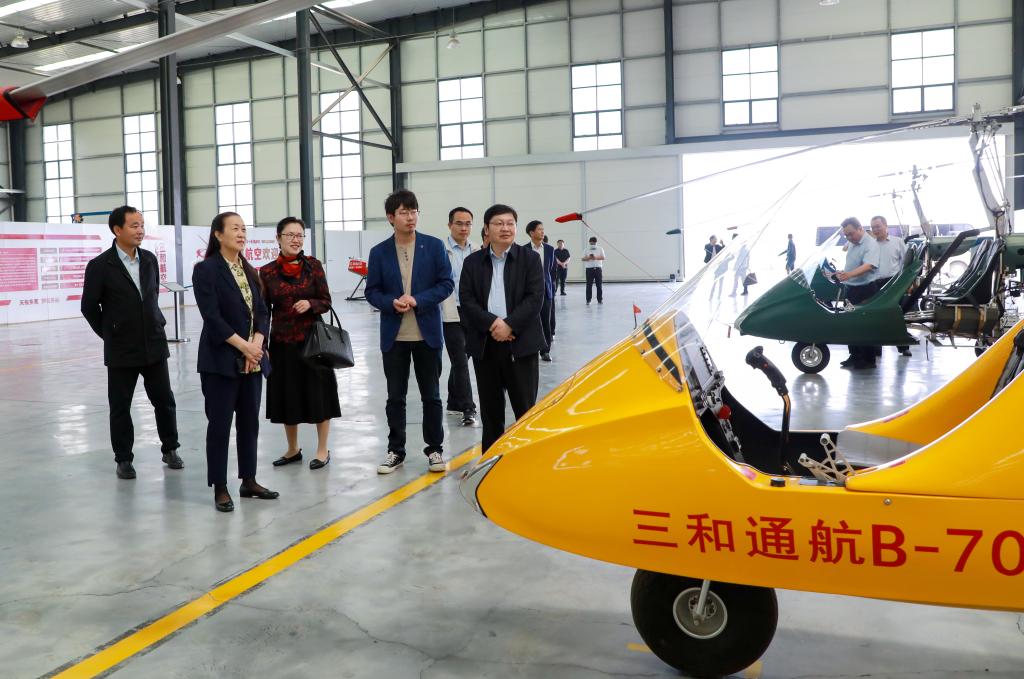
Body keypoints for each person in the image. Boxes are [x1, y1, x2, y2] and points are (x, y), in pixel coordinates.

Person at [81, 205, 182, 479]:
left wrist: (154, 321)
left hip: (154, 342)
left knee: (164, 401)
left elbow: (151, 296)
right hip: (121, 348)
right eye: (134, 225)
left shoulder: (149, 259)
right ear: (117, 230)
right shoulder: (100, 266)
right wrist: (110, 333)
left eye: (142, 225)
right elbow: (89, 306)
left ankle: (170, 448)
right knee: (120, 406)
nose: (140, 230)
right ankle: (124, 458)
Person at [192, 212, 278, 512]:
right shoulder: (206, 270)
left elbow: (263, 311)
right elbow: (212, 317)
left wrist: (258, 343)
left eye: (243, 229)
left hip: (252, 361)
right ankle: (220, 486)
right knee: (220, 425)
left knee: (249, 422)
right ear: (218, 234)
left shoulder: (249, 270)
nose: (241, 234)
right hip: (221, 361)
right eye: (235, 229)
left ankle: (248, 480)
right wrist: (245, 347)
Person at [366, 190, 454, 474]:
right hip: (395, 337)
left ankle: (435, 449)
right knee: (395, 397)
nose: (410, 217)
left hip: (427, 334)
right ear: (391, 217)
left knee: (432, 396)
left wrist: (418, 299)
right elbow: (372, 291)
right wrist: (390, 303)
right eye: (404, 212)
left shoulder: (434, 246)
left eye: (413, 211)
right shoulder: (379, 252)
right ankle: (396, 450)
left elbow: (446, 284)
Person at [459, 204, 545, 453]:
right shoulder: (473, 262)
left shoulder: (530, 259)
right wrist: (492, 323)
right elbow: (467, 300)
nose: (505, 228)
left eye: (510, 223)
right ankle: (491, 463)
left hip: (521, 345)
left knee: (525, 412)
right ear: (487, 229)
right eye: (498, 223)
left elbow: (535, 298)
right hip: (486, 346)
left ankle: (527, 462)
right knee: (491, 413)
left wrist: (509, 325)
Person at [260, 217, 340, 471]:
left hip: (313, 343)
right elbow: (263, 311)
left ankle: (322, 449)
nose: (296, 240)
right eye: (290, 235)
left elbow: (326, 301)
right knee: (288, 395)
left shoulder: (313, 266)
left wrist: (311, 304)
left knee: (319, 394)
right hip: (282, 343)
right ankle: (292, 449)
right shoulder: (267, 272)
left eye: (300, 235)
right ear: (278, 238)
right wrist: (262, 344)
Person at [441, 207, 478, 427]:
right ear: (450, 225)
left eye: (468, 224)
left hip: (473, 312)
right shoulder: (440, 250)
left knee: (462, 359)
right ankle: (468, 408)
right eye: (459, 223)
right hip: (450, 312)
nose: (464, 228)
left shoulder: (478, 250)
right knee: (460, 360)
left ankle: (453, 402)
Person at [836, 217, 880, 370]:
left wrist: (849, 275)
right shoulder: (853, 242)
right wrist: (844, 273)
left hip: (865, 290)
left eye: (851, 234)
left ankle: (868, 359)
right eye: (846, 235)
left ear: (860, 228)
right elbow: (852, 262)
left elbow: (869, 265)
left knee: (864, 326)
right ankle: (854, 355)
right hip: (851, 289)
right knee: (850, 324)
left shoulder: (871, 244)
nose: (849, 237)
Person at [870, 215, 912, 357]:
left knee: (895, 316)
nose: (875, 230)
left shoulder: (897, 242)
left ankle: (903, 347)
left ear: (885, 225)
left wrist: (905, 283)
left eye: (878, 226)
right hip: (873, 284)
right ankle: (876, 349)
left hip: (893, 283)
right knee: (874, 317)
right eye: (873, 227)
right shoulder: (870, 244)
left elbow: (906, 263)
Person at [525, 220, 555, 362]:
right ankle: (530, 349)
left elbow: (550, 270)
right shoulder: (524, 250)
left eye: (543, 229)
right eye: (539, 229)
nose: (542, 232)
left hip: (545, 291)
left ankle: (545, 351)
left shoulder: (549, 249)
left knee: (545, 322)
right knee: (529, 322)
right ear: (531, 233)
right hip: (528, 293)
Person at [583, 236, 605, 305]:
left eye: (594, 243)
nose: (593, 244)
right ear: (589, 242)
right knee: (589, 285)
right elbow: (583, 259)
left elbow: (603, 257)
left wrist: (596, 257)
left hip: (598, 269)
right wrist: (588, 258)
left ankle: (600, 300)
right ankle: (588, 300)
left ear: (596, 242)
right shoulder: (586, 249)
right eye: (591, 243)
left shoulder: (600, 249)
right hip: (589, 269)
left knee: (599, 285)